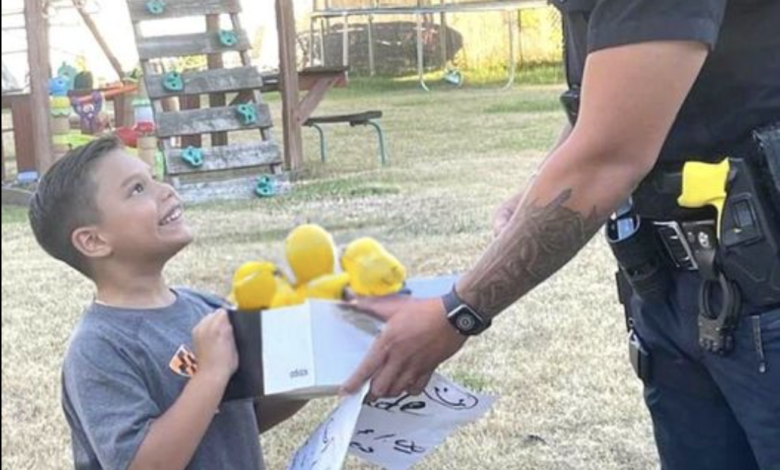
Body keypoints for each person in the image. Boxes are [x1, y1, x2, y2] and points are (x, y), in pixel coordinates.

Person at [342, 1, 780, 469]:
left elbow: (608, 157)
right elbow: (610, 93)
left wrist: (460, 312)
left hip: (760, 286)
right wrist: (538, 187)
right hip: (680, 283)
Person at [29, 137, 305, 470]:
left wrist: (307, 380)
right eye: (137, 189)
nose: (166, 190)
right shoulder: (98, 348)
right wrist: (211, 373)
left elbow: (242, 419)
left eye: (154, 177)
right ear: (94, 240)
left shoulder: (205, 306)